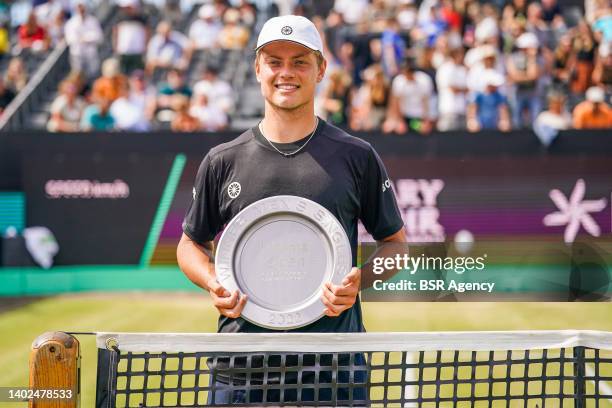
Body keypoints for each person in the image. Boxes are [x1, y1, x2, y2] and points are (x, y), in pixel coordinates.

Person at [176, 15, 406, 405]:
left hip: (333, 370)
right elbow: (189, 245)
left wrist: (358, 282)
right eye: (275, 61)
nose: (286, 73)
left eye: (300, 61)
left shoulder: (357, 156)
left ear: (320, 69)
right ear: (258, 69)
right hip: (241, 371)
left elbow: (396, 246)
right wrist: (213, 281)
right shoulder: (222, 160)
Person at [64, 2, 103, 79]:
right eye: (79, 7)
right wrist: (83, 39)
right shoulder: (71, 23)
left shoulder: (93, 21)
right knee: (78, 75)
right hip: (77, 54)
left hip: (91, 53)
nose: (81, 10)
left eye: (82, 7)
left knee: (93, 74)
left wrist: (85, 39)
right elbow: (70, 39)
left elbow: (99, 36)